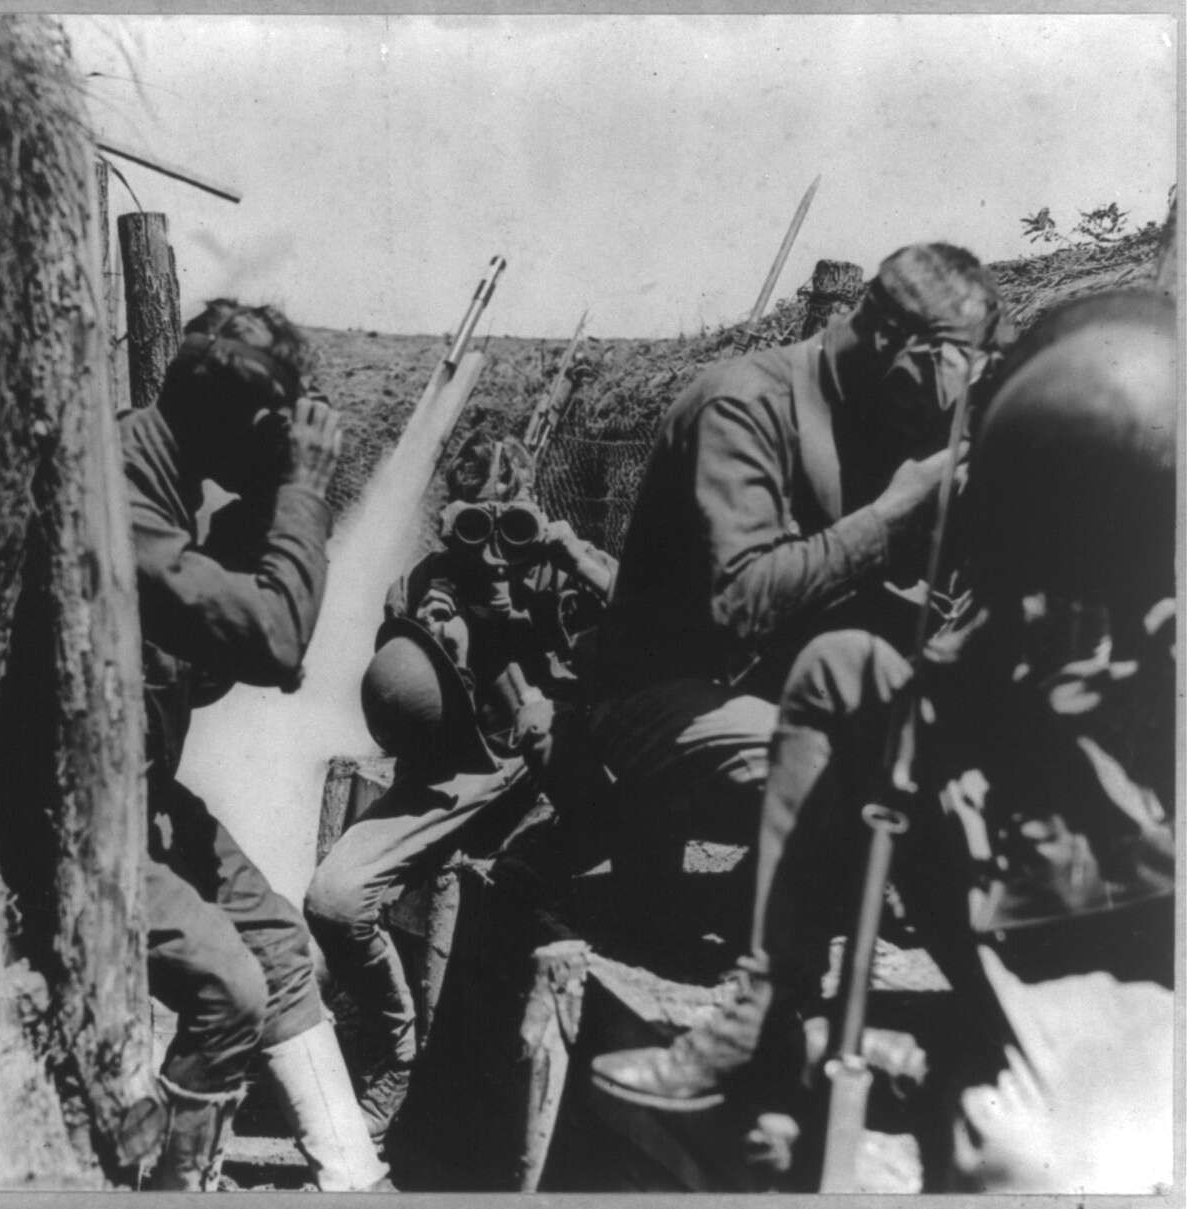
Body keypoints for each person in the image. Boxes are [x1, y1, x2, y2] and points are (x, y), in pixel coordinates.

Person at [590, 290, 1177, 1193]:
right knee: (846, 672)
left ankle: (877, 1054)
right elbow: (979, 672)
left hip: (1113, 1022)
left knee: (1015, 1146)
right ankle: (769, 1016)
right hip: (1088, 914)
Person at [587, 243, 1004, 936]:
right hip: (659, 694)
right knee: (851, 784)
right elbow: (740, 600)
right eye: (924, 385)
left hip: (785, 688)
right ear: (884, 338)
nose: (923, 419)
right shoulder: (743, 403)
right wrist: (890, 519)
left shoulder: (878, 411)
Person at [116, 300, 389, 1192]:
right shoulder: (117, 491)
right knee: (229, 986)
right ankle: (169, 1186)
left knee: (280, 944)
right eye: (275, 430)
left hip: (140, 798)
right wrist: (303, 489)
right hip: (82, 820)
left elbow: (189, 676)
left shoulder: (171, 488)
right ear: (240, 423)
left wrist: (258, 528)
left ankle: (353, 1178)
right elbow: (274, 643)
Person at [304, 432, 617, 1145]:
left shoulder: (555, 570)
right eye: (474, 526)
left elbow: (657, 627)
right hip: (448, 778)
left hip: (542, 782)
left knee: (520, 915)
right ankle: (394, 1051)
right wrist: (434, 626)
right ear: (451, 520)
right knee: (334, 898)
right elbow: (398, 701)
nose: (493, 550)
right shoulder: (424, 583)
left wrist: (574, 558)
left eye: (511, 522)